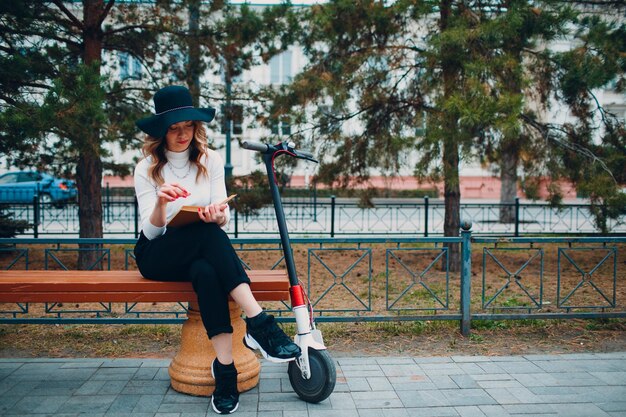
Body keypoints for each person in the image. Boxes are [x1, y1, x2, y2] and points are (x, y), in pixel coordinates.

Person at [133, 85, 301, 415]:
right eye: (174, 128)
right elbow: (151, 232)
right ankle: (260, 323)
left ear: (197, 127)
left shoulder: (210, 161)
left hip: (199, 253)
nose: (183, 134)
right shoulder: (147, 168)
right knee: (207, 237)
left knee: (206, 270)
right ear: (161, 133)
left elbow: (222, 215)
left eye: (188, 126)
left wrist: (218, 214)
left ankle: (225, 372)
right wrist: (162, 201)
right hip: (157, 256)